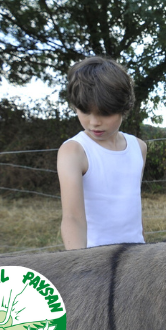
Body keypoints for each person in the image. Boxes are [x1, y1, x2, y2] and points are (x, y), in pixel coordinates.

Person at [57, 56, 147, 249]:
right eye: (85, 111)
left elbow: (132, 211)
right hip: (95, 262)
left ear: (124, 107)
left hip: (137, 257)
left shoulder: (138, 148)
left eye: (105, 113)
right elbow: (72, 218)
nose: (94, 122)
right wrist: (80, 268)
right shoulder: (74, 151)